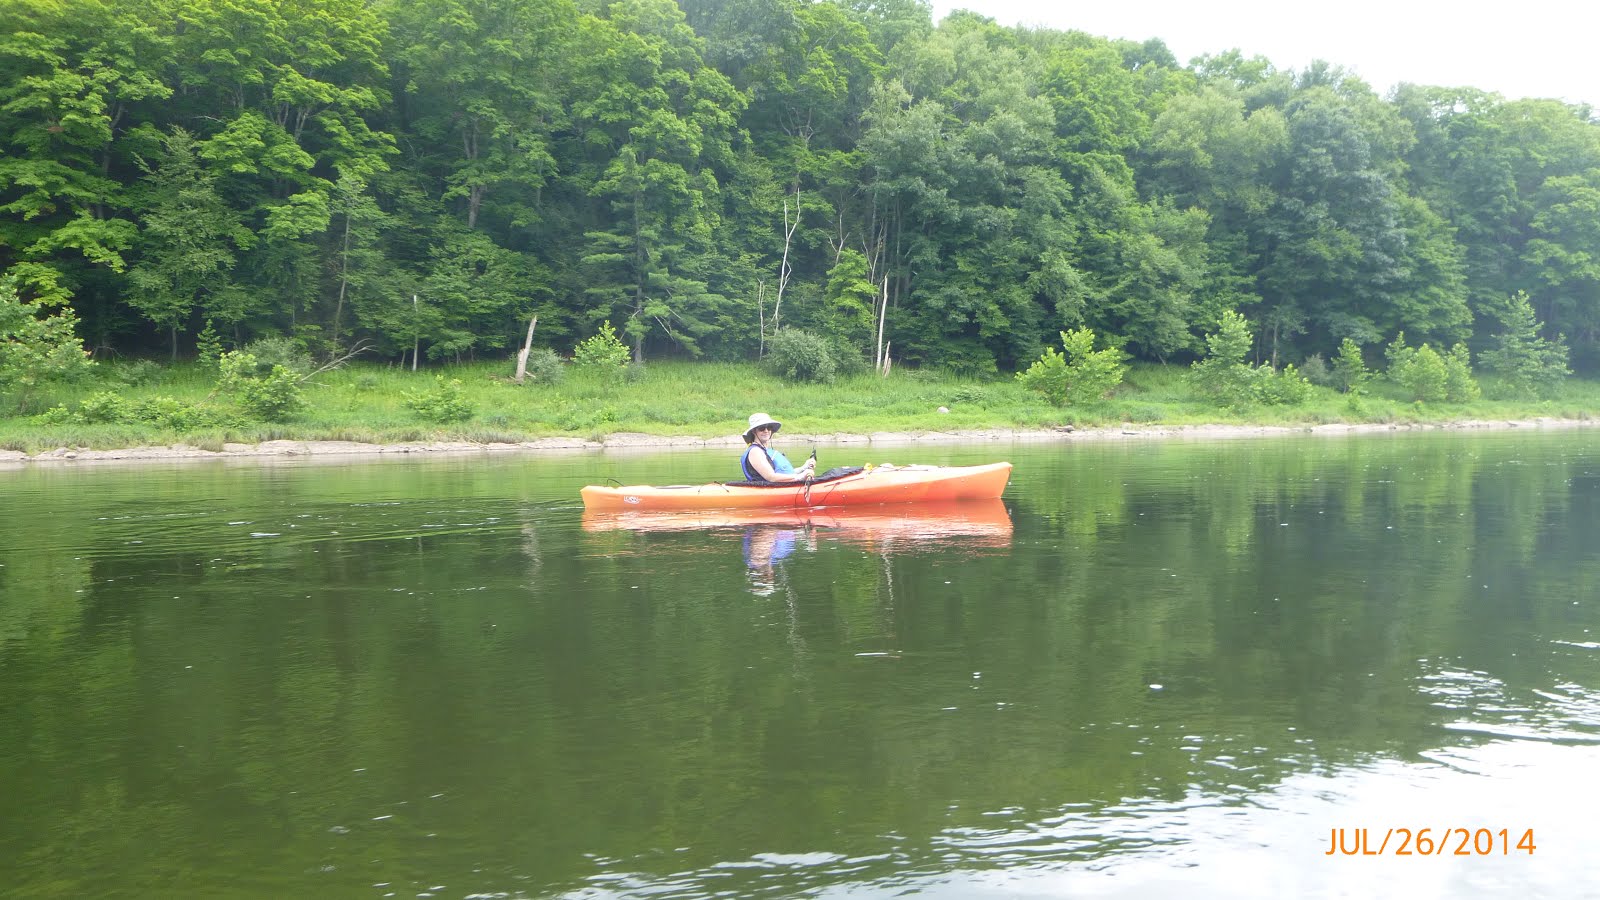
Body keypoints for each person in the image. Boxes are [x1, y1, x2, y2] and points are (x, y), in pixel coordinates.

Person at [739, 412, 816, 483]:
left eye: (769, 427)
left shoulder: (762, 450)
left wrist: (803, 468)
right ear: (754, 431)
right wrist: (800, 477)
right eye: (762, 428)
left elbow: (783, 473)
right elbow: (771, 477)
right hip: (766, 492)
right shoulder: (755, 451)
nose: (766, 431)